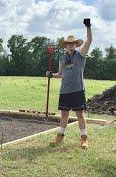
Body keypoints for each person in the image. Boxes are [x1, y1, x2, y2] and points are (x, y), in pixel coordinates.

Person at [46, 19, 92, 149]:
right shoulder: (62, 58)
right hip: (65, 90)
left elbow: (89, 40)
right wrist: (51, 75)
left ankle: (84, 139)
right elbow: (60, 74)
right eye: (68, 44)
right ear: (65, 46)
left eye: (72, 43)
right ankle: (60, 137)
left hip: (78, 90)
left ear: (76, 45)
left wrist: (88, 27)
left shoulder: (81, 55)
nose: (70, 45)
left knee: (80, 115)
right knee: (64, 115)